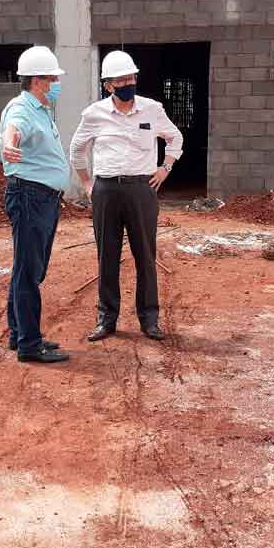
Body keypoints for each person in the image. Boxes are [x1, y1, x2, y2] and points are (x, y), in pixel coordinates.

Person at [69, 50, 184, 342]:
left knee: (145, 255)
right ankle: (106, 319)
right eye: (121, 80)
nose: (128, 84)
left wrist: (165, 168)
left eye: (131, 78)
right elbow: (77, 150)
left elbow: (175, 138)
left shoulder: (152, 109)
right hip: (106, 190)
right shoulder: (94, 114)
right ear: (108, 85)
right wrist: (87, 184)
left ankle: (149, 319)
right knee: (106, 256)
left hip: (141, 190)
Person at [0, 46, 71, 364]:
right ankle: (29, 343)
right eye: (53, 77)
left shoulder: (40, 109)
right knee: (29, 272)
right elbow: (13, 130)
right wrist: (8, 144)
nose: (57, 82)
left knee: (27, 269)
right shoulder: (22, 109)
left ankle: (20, 335)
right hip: (30, 197)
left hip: (41, 198)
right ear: (38, 80)